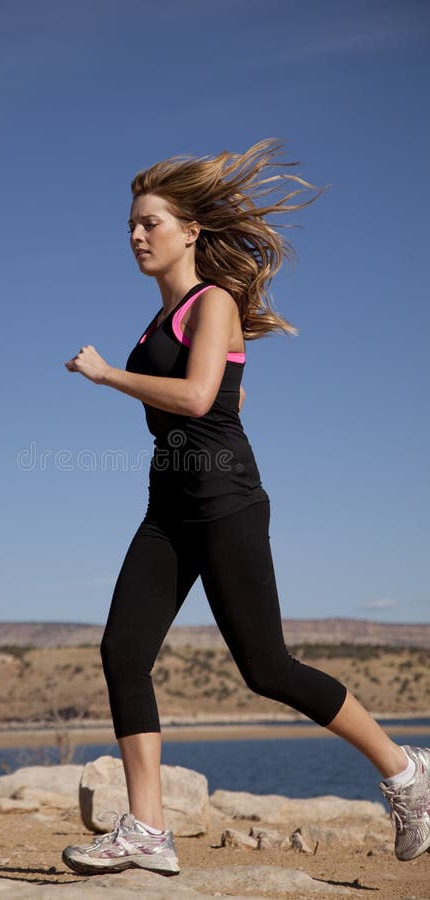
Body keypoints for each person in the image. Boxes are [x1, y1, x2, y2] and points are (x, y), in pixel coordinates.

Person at [61, 139, 430, 876]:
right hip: (167, 508)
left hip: (225, 504)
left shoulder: (214, 302)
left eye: (151, 223)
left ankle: (407, 774)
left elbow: (199, 398)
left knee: (266, 667)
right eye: (131, 225)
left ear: (190, 230)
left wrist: (106, 377)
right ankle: (148, 830)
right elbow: (223, 395)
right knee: (122, 653)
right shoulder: (154, 324)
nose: (136, 236)